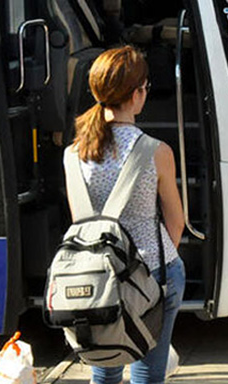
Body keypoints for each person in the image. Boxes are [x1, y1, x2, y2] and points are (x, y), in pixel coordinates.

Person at [65, 46, 184, 384]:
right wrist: (157, 268)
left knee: (104, 370)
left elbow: (81, 225)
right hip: (153, 273)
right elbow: (175, 221)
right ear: (137, 94)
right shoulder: (156, 152)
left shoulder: (72, 155)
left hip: (97, 278)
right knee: (148, 372)